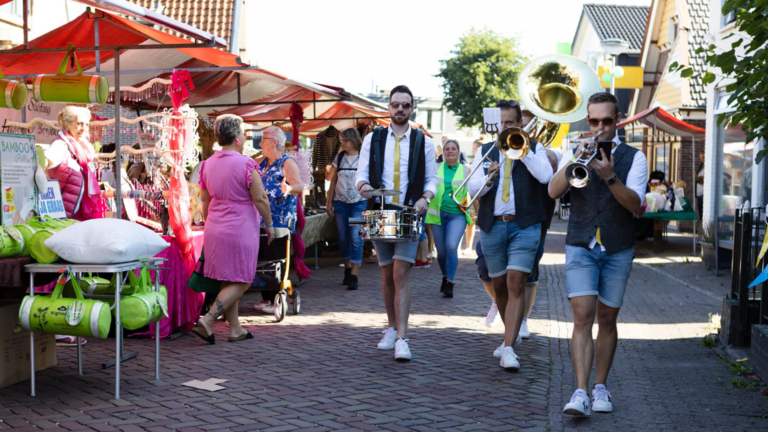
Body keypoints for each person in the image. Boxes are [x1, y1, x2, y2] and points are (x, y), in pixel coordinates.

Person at [549, 92, 648, 417]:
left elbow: (634, 205)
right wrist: (576, 159)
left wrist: (609, 177)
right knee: (582, 316)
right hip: (580, 242)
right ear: (588, 120)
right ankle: (580, 391)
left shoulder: (636, 157)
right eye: (594, 121)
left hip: (617, 246)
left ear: (617, 120)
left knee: (607, 318)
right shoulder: (576, 148)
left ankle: (600, 386)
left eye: (607, 121)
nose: (600, 127)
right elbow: (553, 191)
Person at [467, 99, 553, 371]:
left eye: (510, 124)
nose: (504, 129)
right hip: (493, 225)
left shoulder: (535, 148)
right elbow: (472, 190)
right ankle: (509, 340)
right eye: (501, 123)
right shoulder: (485, 150)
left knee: (516, 283)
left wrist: (522, 150)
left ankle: (507, 348)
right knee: (500, 287)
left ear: (520, 124)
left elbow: (546, 176)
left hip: (525, 225)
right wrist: (488, 176)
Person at [356, 85, 438, 361]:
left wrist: (426, 197)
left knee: (401, 273)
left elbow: (432, 179)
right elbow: (361, 174)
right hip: (380, 209)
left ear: (412, 107)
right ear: (388, 108)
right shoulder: (373, 138)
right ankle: (391, 327)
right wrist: (364, 186)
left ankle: (403, 337)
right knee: (387, 273)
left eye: (405, 105)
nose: (400, 109)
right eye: (395, 104)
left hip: (409, 212)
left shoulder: (423, 141)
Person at [190, 114, 275, 344]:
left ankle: (235, 329)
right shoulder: (246, 163)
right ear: (237, 137)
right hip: (240, 228)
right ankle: (208, 320)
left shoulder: (207, 164)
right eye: (244, 132)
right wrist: (269, 225)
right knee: (243, 280)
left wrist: (210, 225)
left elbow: (205, 201)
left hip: (215, 227)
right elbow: (261, 199)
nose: (246, 136)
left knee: (229, 279)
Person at [254, 125, 304, 314]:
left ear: (274, 142)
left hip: (279, 221)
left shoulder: (286, 161)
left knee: (273, 259)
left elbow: (299, 184)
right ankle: (267, 298)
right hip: (259, 221)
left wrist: (289, 189)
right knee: (261, 259)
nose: (260, 143)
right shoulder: (262, 162)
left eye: (263, 139)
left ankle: (273, 297)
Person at [519, 109, 560, 339]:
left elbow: (548, 180)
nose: (525, 129)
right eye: (521, 125)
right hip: (510, 219)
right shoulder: (505, 147)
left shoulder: (543, 153)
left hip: (538, 219)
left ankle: (523, 319)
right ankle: (501, 303)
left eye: (528, 125)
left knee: (531, 270)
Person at [426, 139, 472, 298]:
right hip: (436, 214)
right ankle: (445, 276)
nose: (450, 151)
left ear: (458, 152)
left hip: (457, 215)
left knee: (452, 246)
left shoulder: (466, 170)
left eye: (453, 149)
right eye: (447, 149)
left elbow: (474, 191)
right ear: (443, 152)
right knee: (442, 251)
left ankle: (450, 282)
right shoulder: (434, 168)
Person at [45, 106, 106, 221]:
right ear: (67, 125)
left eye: (86, 125)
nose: (84, 128)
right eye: (79, 124)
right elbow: (47, 160)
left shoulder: (83, 149)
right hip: (67, 216)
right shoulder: (60, 145)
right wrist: (44, 162)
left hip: (81, 214)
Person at [326, 128, 366, 290]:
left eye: (345, 140)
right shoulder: (340, 157)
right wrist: (329, 202)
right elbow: (333, 180)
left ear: (354, 140)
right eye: (342, 140)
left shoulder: (364, 158)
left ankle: (354, 275)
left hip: (359, 203)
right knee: (342, 238)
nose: (343, 143)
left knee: (356, 237)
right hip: (340, 203)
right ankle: (348, 268)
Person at [462, 139, 484, 255]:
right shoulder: (474, 162)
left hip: (478, 196)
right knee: (470, 220)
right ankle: (469, 246)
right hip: (471, 195)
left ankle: (471, 246)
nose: (473, 151)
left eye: (474, 149)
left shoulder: (483, 160)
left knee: (474, 220)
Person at [696, 151, 705, 219]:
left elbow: (704, 180)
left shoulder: (707, 167)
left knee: (703, 213)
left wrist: (698, 178)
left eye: (704, 157)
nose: (703, 159)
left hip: (703, 193)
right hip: (698, 193)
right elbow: (694, 178)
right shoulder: (701, 166)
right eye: (702, 157)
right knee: (700, 213)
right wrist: (700, 178)